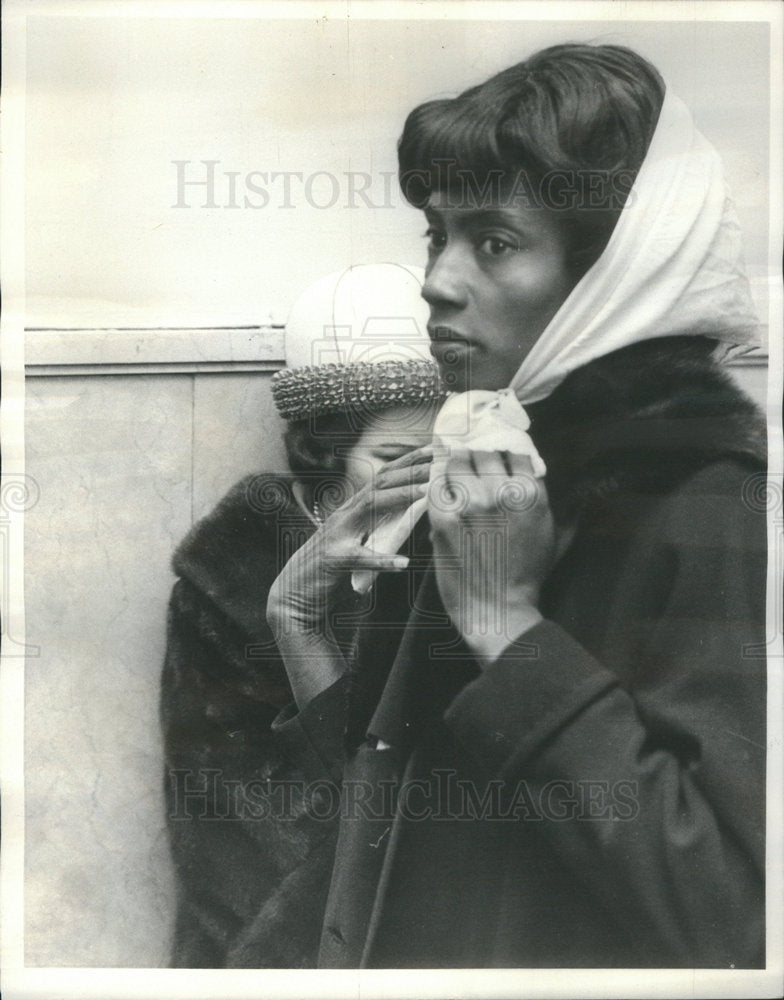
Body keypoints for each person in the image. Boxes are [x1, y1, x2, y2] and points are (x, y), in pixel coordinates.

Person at [272, 44, 767, 968]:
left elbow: (730, 917)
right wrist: (297, 619)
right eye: (437, 234)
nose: (438, 279)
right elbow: (401, 796)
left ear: (616, 272)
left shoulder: (703, 492)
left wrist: (508, 622)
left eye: (494, 242)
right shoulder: (495, 452)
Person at [160, 262, 445, 967]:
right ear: (324, 450)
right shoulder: (224, 586)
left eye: (445, 458)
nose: (427, 483)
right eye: (397, 459)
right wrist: (295, 624)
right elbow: (231, 834)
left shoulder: (464, 555)